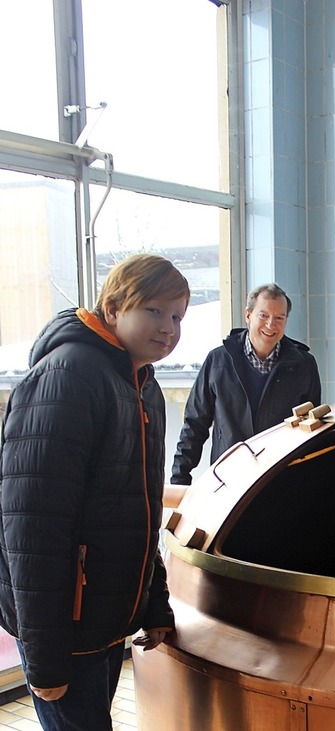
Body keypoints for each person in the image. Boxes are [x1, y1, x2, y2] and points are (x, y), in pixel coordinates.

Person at [0, 253, 190, 730]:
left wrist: (154, 604)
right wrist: (44, 657)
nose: (168, 328)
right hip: (65, 629)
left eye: (177, 317)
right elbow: (31, 530)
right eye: (153, 311)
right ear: (113, 309)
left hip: (103, 621)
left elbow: (137, 516)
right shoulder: (70, 376)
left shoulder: (140, 382)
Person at [170, 283, 321, 486]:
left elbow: (311, 429)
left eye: (279, 318)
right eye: (263, 315)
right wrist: (180, 479)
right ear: (248, 315)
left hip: (280, 479)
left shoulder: (303, 364)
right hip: (227, 479)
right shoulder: (218, 361)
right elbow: (195, 424)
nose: (271, 325)